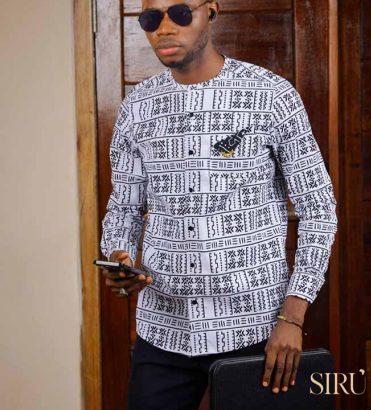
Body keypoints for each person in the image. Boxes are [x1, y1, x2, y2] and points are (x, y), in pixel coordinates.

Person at [99, 0, 338, 408]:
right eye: (151, 19)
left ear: (210, 11)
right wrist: (118, 258)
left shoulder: (271, 96)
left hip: (257, 330)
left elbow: (319, 209)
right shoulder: (136, 109)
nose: (164, 29)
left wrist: (293, 316)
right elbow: (124, 208)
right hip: (163, 331)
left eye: (180, 13)